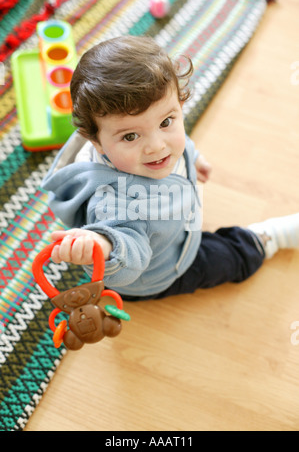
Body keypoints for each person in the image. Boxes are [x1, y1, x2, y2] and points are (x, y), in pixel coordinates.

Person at [42, 35, 299, 300]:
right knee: (226, 259)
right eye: (131, 136)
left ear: (180, 104)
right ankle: (267, 239)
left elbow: (179, 139)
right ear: (96, 141)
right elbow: (128, 251)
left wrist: (193, 157)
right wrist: (104, 245)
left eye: (166, 121)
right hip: (159, 273)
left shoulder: (147, 144)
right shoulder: (115, 203)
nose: (157, 146)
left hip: (172, 230)